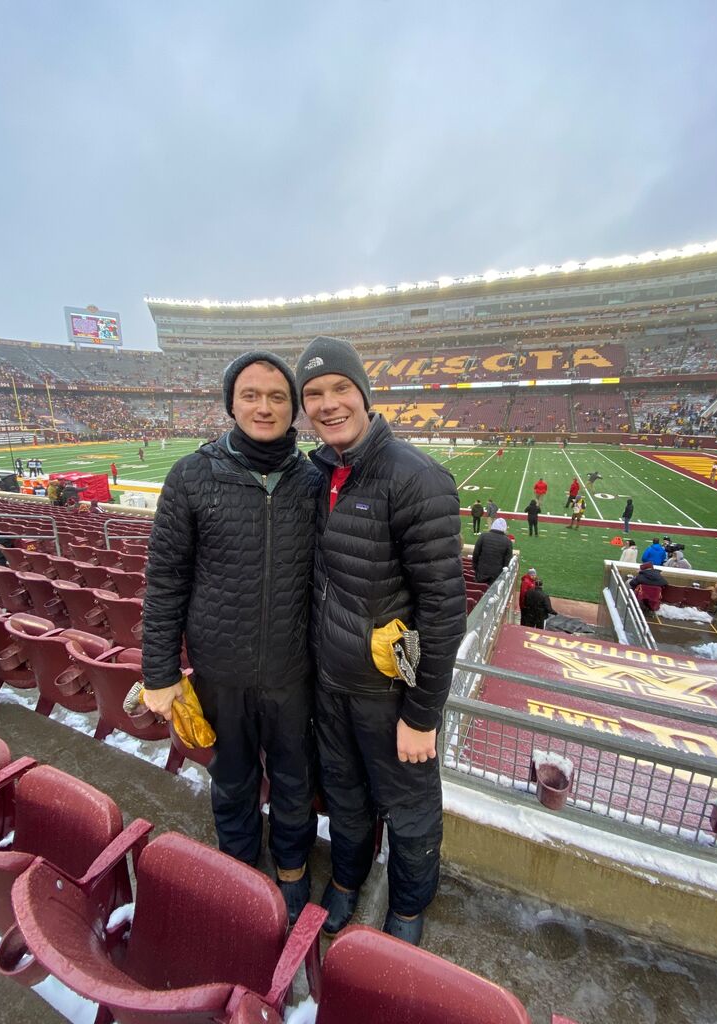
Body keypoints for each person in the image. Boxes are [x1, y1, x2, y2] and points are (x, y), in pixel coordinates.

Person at [296, 335, 466, 947]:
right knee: (344, 795)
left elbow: (445, 610)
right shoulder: (318, 475)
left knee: (411, 811)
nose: (328, 403)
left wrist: (422, 714)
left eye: (341, 388)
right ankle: (346, 879)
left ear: (365, 394)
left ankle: (408, 907)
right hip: (331, 685)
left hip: (391, 694)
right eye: (313, 394)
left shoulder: (416, 477)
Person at [141, 352, 321, 925]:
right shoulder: (191, 475)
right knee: (233, 777)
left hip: (295, 671)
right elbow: (165, 578)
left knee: (295, 780)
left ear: (293, 407)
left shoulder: (315, 480)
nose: (263, 406)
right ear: (230, 402)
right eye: (250, 394)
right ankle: (241, 868)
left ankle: (292, 869)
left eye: (276, 396)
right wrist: (159, 671)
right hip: (221, 669)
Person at [473, 517, 513, 584]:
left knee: (479, 589)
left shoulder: (483, 536)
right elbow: (507, 560)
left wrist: (475, 566)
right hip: (496, 573)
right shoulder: (507, 541)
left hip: (482, 570)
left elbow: (476, 553)